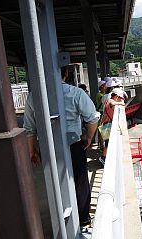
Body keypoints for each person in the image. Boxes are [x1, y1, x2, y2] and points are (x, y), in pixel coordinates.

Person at [23, 66, 99, 227]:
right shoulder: (76, 93)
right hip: (74, 145)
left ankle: (61, 220)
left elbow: (29, 128)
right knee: (79, 180)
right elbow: (92, 118)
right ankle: (83, 218)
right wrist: (89, 138)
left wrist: (31, 151)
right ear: (65, 74)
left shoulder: (33, 97)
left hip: (47, 147)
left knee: (54, 181)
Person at [98, 88, 127, 164]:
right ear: (116, 96)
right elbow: (113, 103)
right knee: (108, 143)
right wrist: (120, 103)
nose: (120, 100)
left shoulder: (108, 100)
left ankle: (104, 157)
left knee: (108, 142)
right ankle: (103, 158)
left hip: (105, 124)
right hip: (106, 125)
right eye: (120, 98)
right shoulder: (111, 100)